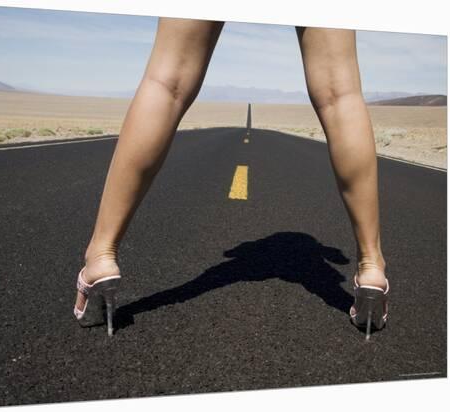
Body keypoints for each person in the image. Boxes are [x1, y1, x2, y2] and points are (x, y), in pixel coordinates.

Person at [73, 18, 389, 338]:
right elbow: (334, 257)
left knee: (167, 83)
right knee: (341, 95)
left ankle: (101, 255)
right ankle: (371, 266)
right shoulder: (318, 249)